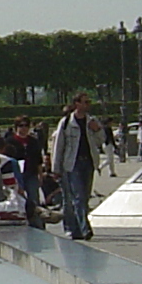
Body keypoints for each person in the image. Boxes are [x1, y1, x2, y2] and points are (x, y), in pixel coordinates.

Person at [47, 94, 99, 239]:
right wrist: (56, 169)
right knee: (78, 196)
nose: (88, 104)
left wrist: (97, 129)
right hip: (72, 164)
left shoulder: (92, 121)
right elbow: (58, 146)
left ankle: (76, 228)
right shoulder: (66, 123)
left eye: (89, 102)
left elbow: (102, 140)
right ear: (77, 104)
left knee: (85, 196)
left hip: (88, 162)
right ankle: (85, 228)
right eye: (85, 102)